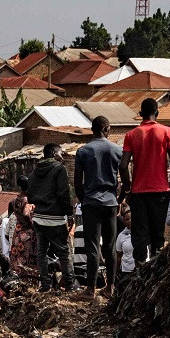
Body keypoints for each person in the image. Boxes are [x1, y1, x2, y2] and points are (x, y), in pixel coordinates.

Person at [120, 97, 170, 264]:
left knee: (139, 236)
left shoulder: (131, 134)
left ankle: (138, 272)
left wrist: (128, 190)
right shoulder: (167, 131)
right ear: (156, 113)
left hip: (138, 193)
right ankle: (155, 275)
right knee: (158, 236)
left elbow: (123, 166)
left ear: (140, 114)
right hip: (160, 192)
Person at [74, 116, 122, 298]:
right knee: (109, 246)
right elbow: (126, 178)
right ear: (106, 129)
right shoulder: (117, 150)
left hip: (91, 203)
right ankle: (110, 287)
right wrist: (119, 198)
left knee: (92, 246)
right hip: (110, 202)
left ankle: (91, 289)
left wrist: (84, 199)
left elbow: (78, 182)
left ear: (93, 129)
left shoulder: (83, 151)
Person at [26, 144, 73, 290]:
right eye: (60, 153)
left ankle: (45, 285)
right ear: (53, 153)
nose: (62, 156)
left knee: (42, 252)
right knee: (64, 252)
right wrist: (69, 213)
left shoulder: (34, 172)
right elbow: (63, 193)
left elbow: (31, 196)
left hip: (38, 218)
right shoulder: (59, 169)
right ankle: (70, 285)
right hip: (55, 219)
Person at [113, 204, 136, 287]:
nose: (129, 221)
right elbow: (119, 256)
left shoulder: (142, 234)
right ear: (124, 221)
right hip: (126, 271)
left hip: (140, 270)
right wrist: (116, 274)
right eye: (127, 219)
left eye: (131, 218)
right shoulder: (121, 236)